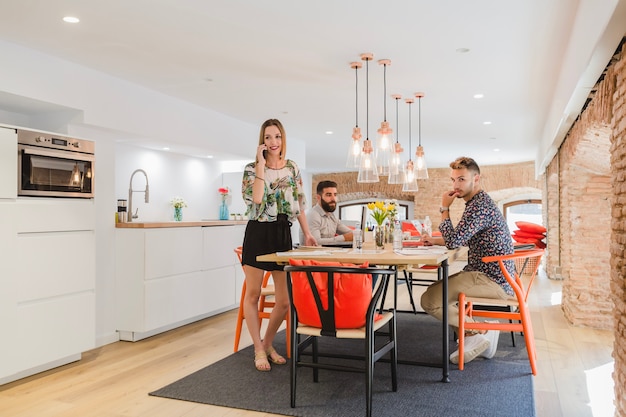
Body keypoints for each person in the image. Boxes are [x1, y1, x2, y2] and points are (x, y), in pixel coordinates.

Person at [420, 156, 514, 365]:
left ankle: (479, 333)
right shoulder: (478, 203)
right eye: (453, 180)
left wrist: (444, 209)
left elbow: (454, 241)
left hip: (491, 280)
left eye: (461, 179)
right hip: (491, 274)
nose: (456, 185)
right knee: (438, 290)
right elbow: (461, 236)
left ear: (476, 179)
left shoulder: (478, 207)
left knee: (430, 300)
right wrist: (435, 240)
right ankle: (475, 335)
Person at [241, 118, 317, 372]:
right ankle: (258, 348)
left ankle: (268, 343)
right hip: (258, 232)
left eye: (278, 137)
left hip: (282, 232)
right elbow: (259, 198)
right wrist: (261, 165)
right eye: (268, 137)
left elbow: (299, 203)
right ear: (262, 141)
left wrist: (307, 232)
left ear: (283, 139)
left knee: (284, 301)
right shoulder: (252, 169)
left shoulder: (292, 168)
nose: (274, 142)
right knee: (252, 294)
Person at [300, 180, 353, 246]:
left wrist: (360, 234)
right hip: (313, 255)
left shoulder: (331, 216)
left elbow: (351, 233)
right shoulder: (313, 215)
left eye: (335, 195)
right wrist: (344, 238)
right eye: (329, 195)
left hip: (326, 254)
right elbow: (315, 242)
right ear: (318, 197)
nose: (333, 199)